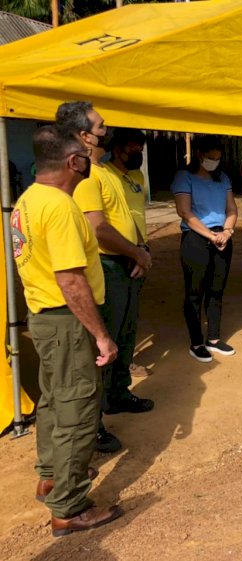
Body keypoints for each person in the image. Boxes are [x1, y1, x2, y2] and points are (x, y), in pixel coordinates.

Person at [12, 125, 122, 536]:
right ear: (74, 161)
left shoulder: (28, 199)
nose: (93, 157)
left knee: (54, 399)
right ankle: (70, 507)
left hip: (44, 318)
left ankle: (50, 475)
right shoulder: (59, 207)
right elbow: (71, 280)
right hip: (67, 319)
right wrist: (101, 335)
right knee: (77, 409)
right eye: (89, 151)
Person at [57, 101, 153, 455]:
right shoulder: (86, 177)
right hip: (108, 267)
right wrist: (135, 252)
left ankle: (118, 395)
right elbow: (99, 229)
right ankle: (94, 423)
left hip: (129, 263)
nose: (106, 131)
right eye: (101, 127)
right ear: (85, 136)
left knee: (126, 335)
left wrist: (141, 251)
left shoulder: (111, 172)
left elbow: (128, 218)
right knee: (105, 345)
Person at [171, 135, 238, 362]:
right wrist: (211, 235)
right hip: (196, 238)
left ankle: (214, 339)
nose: (215, 162)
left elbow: (231, 208)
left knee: (216, 289)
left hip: (222, 237)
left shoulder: (223, 178)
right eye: (211, 158)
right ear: (199, 154)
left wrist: (227, 232)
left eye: (218, 158)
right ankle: (196, 342)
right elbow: (185, 212)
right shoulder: (184, 177)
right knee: (195, 292)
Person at [108, 128, 152, 379]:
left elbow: (137, 217)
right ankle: (112, 369)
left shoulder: (137, 177)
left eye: (141, 150)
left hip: (139, 252)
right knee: (115, 314)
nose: (138, 154)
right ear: (117, 149)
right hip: (117, 254)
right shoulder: (104, 175)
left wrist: (143, 250)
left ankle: (126, 362)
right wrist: (135, 251)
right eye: (133, 149)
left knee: (131, 313)